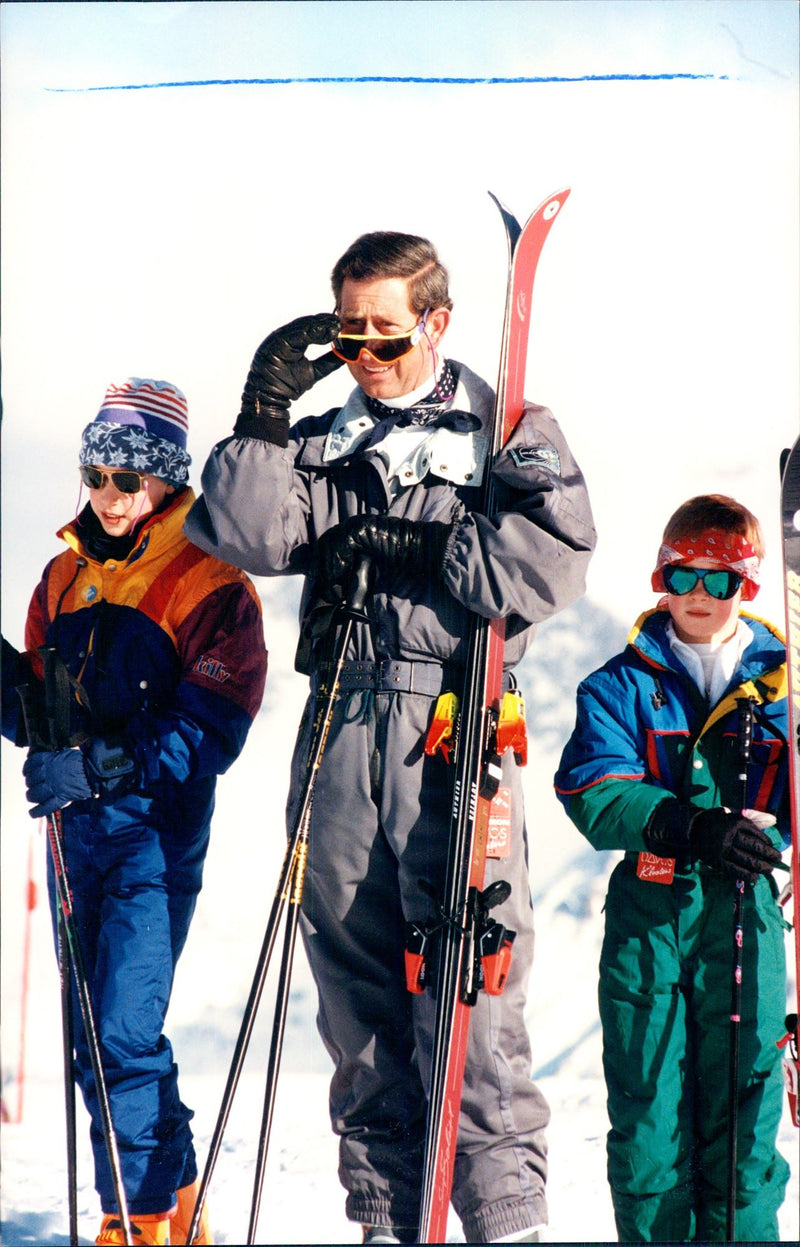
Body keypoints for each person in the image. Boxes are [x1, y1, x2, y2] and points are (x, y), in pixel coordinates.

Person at [184, 230, 596, 1243]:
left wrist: (425, 542)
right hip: (338, 721)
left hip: (447, 722)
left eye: (386, 335)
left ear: (436, 320)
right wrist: (261, 410)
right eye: (349, 336)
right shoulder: (325, 440)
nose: (368, 356)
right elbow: (243, 532)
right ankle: (385, 1218)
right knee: (358, 1006)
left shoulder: (504, 430)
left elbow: (539, 569)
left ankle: (506, 1221)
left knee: (470, 991)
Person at [1, 378, 268, 1246]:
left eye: (128, 478)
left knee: (124, 1029)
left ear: (164, 480)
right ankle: (176, 1207)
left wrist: (99, 764)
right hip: (72, 837)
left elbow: (212, 726)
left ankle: (141, 1218)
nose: (109, 496)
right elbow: (35, 707)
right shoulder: (62, 576)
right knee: (90, 1038)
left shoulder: (208, 580)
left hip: (153, 838)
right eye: (96, 475)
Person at [554, 494, 791, 1242]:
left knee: (744, 1133)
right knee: (650, 1125)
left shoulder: (783, 693)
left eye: (718, 581)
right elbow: (593, 786)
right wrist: (687, 823)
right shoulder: (621, 684)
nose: (697, 595)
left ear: (747, 586)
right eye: (681, 575)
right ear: (661, 576)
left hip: (748, 918)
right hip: (651, 915)